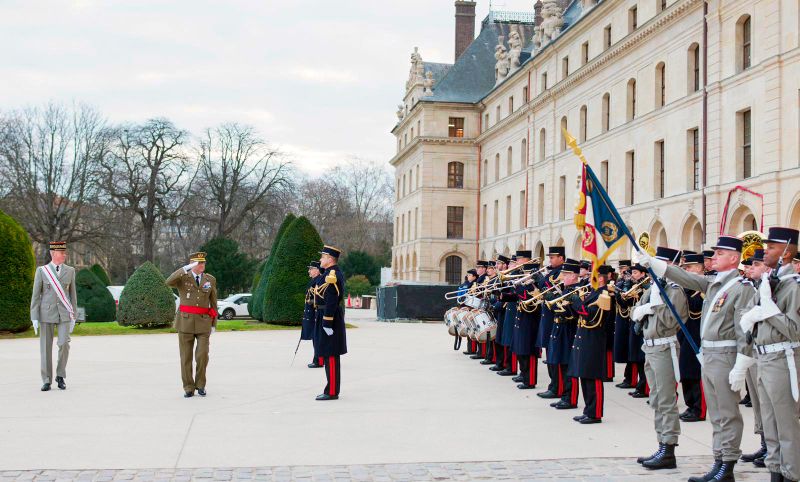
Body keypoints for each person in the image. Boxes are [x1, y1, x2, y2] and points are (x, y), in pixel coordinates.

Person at [637, 235, 757, 482]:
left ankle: (728, 464)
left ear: (734, 258)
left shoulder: (740, 288)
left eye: (720, 254)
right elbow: (687, 277)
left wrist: (742, 364)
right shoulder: (714, 283)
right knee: (716, 413)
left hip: (725, 355)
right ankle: (719, 460)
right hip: (710, 355)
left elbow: (743, 330)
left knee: (727, 413)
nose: (713, 258)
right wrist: (652, 263)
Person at [739, 227, 800, 482]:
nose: (765, 252)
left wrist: (770, 309)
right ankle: (775, 471)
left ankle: (792, 474)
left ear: (786, 252)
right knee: (770, 424)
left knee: (787, 424)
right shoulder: (767, 282)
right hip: (763, 358)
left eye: (772, 247)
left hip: (782, 359)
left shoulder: (793, 286)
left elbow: (794, 331)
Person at [631, 247, 688, 470]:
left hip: (665, 347)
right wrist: (647, 307)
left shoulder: (674, 289)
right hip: (650, 346)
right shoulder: (654, 287)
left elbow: (671, 320)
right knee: (655, 398)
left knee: (666, 400)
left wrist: (650, 308)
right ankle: (661, 443)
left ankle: (669, 447)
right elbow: (634, 312)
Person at [166, 251, 218, 398]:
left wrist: (214, 323)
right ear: (192, 264)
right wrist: (185, 268)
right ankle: (188, 387)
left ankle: (200, 385)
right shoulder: (183, 278)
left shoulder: (210, 279)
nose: (202, 265)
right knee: (186, 357)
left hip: (203, 323)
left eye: (203, 262)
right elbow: (168, 282)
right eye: (198, 263)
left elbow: (213, 302)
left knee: (202, 356)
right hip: (185, 323)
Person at [567, 264, 614, 424]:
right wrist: (573, 304)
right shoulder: (593, 293)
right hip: (584, 336)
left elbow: (594, 317)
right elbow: (580, 314)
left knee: (593, 376)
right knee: (584, 374)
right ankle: (588, 410)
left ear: (600, 278)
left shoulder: (604, 294)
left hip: (594, 338)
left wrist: (577, 304)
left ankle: (595, 413)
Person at [30, 241, 78, 392]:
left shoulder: (70, 271)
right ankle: (46, 380)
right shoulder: (42, 271)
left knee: (64, 343)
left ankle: (60, 376)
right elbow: (36, 295)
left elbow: (73, 295)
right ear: (53, 253)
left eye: (65, 252)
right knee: (45, 348)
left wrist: (73, 315)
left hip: (64, 313)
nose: (65, 255)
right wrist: (34, 316)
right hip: (46, 313)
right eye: (61, 252)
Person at [740, 249, 768, 467]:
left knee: (768, 404)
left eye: (755, 265)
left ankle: (772, 447)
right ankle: (765, 443)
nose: (750, 269)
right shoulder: (753, 287)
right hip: (752, 349)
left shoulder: (771, 287)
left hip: (767, 352)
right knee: (758, 403)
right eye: (750, 265)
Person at [313, 245, 347, 401]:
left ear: (329, 259)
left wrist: (327, 323)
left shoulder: (333, 275)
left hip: (329, 318)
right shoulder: (327, 274)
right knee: (327, 354)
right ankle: (331, 389)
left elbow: (332, 301)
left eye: (322, 257)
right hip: (324, 315)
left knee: (331, 355)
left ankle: (332, 391)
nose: (320, 259)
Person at [548, 258, 581, 410]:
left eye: (566, 274)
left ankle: (571, 399)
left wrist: (560, 307)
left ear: (574, 275)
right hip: (559, 329)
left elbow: (577, 313)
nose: (563, 277)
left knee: (569, 365)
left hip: (569, 330)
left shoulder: (578, 291)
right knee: (561, 362)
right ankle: (564, 395)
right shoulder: (566, 289)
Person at [679, 253, 707, 423]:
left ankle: (699, 409)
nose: (686, 270)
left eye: (688, 267)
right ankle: (690, 405)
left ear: (698, 268)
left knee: (696, 372)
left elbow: (696, 309)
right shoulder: (685, 288)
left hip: (697, 335)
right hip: (684, 334)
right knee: (686, 371)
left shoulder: (703, 289)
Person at [536, 246, 565, 399]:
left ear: (561, 258)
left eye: (553, 257)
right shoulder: (552, 272)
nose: (550, 260)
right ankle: (553, 385)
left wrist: (540, 279)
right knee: (550, 353)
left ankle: (557, 387)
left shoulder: (562, 272)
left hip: (555, 317)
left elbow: (553, 290)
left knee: (555, 355)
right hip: (547, 317)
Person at [614, 260, 636, 389]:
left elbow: (627, 301)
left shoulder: (635, 284)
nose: (623, 271)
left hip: (631, 319)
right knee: (627, 350)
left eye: (625, 268)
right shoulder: (621, 282)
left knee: (633, 352)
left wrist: (628, 284)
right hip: (624, 318)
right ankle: (628, 378)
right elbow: (621, 301)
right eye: (621, 268)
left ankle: (632, 379)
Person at [304, 261, 324, 369]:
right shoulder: (314, 281)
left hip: (317, 314)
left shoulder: (319, 281)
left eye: (311, 269)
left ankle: (319, 361)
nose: (309, 271)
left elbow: (318, 299)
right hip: (312, 314)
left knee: (318, 338)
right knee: (315, 337)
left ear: (317, 270)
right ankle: (318, 359)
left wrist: (311, 302)